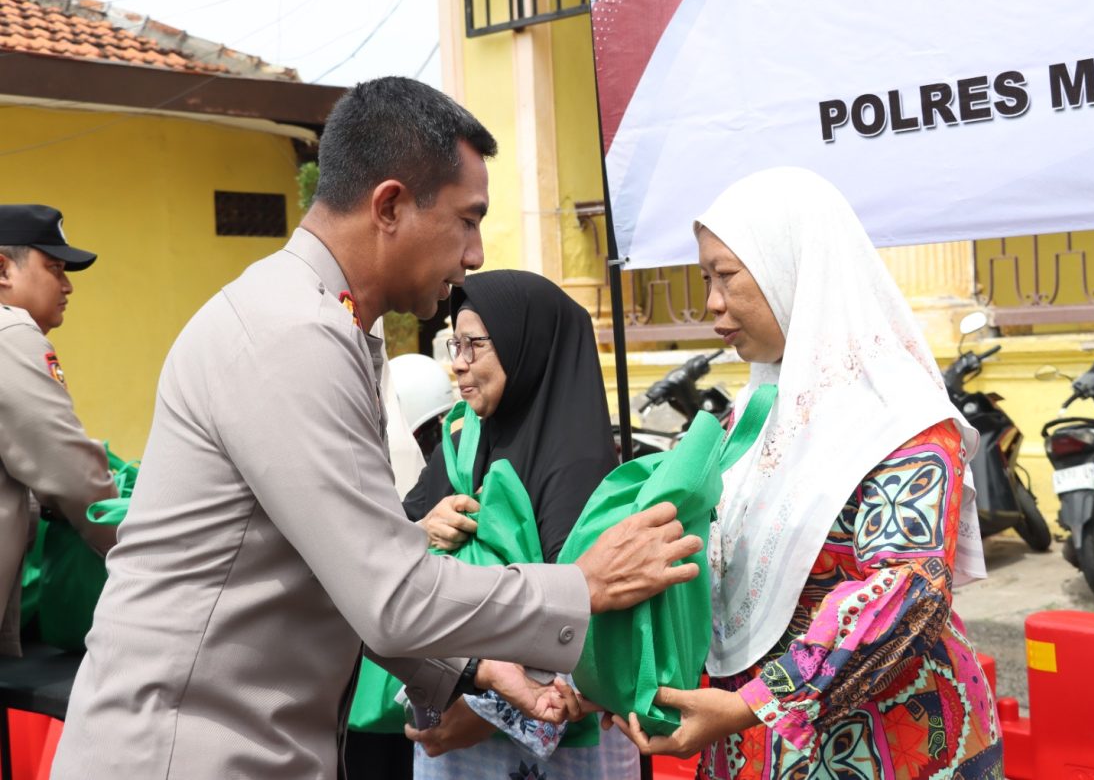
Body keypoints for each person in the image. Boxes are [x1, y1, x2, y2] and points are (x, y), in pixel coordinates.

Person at [51, 77, 701, 780]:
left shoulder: (320, 322)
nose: (476, 254)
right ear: (389, 206)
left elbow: (342, 576)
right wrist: (581, 586)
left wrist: (476, 669)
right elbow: (391, 594)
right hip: (187, 752)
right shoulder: (291, 334)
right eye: (467, 220)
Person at [610, 168, 1002, 778]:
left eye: (726, 275)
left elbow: (907, 588)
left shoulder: (900, 421)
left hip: (890, 744)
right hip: (752, 744)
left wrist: (752, 704)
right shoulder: (751, 419)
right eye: (706, 278)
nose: (712, 302)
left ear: (792, 270)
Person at [402, 270, 638, 779]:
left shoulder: (576, 462)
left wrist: (483, 715)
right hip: (452, 729)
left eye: (475, 345)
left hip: (548, 746)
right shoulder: (463, 442)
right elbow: (382, 552)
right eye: (455, 344)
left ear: (524, 347)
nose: (458, 362)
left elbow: (595, 614)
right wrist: (422, 528)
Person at [0, 204, 118, 656]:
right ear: (2, 269)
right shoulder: (10, 333)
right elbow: (70, 473)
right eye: (54, 268)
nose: (67, 286)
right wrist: (136, 553)